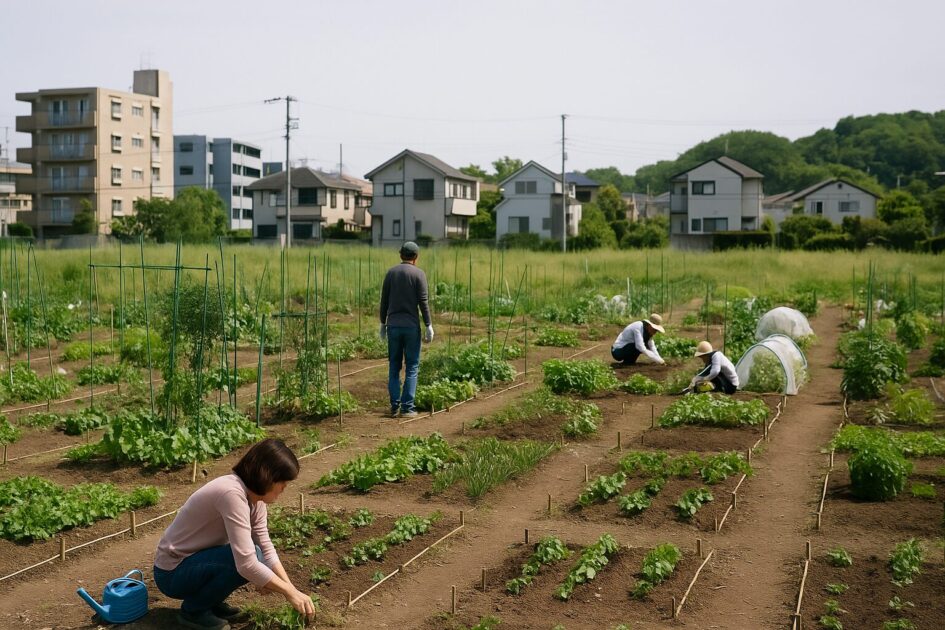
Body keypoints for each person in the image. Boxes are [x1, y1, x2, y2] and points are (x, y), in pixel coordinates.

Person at [153, 439, 315, 630]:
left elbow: (266, 547)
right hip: (172, 573)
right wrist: (287, 591)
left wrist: (292, 590)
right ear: (268, 477)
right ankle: (194, 611)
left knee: (259, 555)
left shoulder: (255, 500)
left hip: (194, 563)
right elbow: (246, 564)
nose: (284, 488)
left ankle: (209, 602)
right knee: (245, 559)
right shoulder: (231, 493)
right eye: (283, 482)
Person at [379, 241, 433, 418]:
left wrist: (382, 323)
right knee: (412, 367)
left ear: (401, 255)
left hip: (393, 325)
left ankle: (394, 406)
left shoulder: (391, 273)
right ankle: (407, 408)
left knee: (394, 366)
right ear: (416, 257)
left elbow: (384, 301)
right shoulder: (419, 274)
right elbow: (423, 302)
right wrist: (428, 325)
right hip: (411, 327)